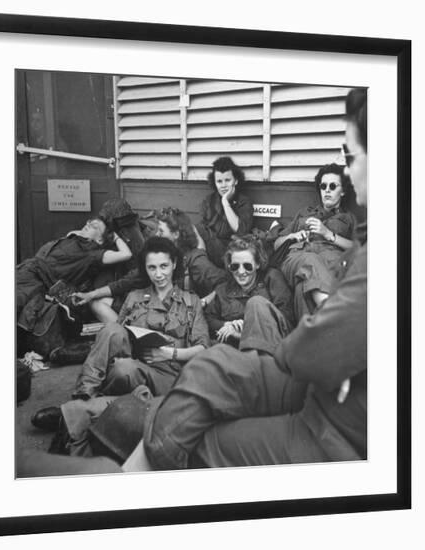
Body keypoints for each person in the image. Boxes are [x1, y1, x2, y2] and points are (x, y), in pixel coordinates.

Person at [140, 88, 368, 470]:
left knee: (205, 433)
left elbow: (310, 352)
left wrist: (315, 341)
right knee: (209, 367)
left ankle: (131, 488)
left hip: (339, 425)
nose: (344, 172)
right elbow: (273, 251)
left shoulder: (367, 239)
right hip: (314, 369)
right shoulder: (354, 229)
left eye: (351, 157)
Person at [72, 236, 210, 400]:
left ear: (174, 264)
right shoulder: (134, 297)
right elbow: (116, 340)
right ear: (145, 268)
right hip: (133, 364)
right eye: (152, 268)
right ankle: (84, 393)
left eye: (164, 266)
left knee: (123, 371)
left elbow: (202, 348)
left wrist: (170, 353)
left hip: (168, 375)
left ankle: (97, 402)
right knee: (112, 333)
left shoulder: (191, 301)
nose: (158, 274)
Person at [72, 207, 228, 322]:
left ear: (176, 235)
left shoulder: (195, 260)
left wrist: (201, 303)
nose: (156, 235)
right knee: (98, 303)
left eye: (161, 231)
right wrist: (90, 295)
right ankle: (125, 336)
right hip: (154, 307)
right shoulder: (155, 256)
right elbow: (126, 282)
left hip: (178, 318)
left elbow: (225, 284)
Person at [16, 218, 132, 357]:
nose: (88, 225)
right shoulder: (73, 237)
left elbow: (126, 254)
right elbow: (75, 231)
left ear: (100, 240)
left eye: (94, 226)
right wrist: (92, 228)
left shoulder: (92, 253)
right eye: (88, 222)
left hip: (33, 281)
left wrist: (115, 236)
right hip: (25, 270)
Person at [273, 163, 357, 319]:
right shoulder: (305, 212)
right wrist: (291, 237)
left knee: (303, 288)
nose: (327, 190)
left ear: (343, 191)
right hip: (297, 258)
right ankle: (332, 314)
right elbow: (276, 244)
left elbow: (358, 249)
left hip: (330, 263)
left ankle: (310, 338)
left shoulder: (348, 218)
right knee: (310, 261)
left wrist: (328, 234)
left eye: (333, 186)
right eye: (323, 186)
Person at [205, 235, 294, 352]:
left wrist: (247, 328)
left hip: (273, 347)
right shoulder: (223, 290)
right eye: (235, 266)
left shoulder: (272, 278)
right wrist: (228, 324)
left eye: (247, 266)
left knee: (256, 302)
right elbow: (208, 319)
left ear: (257, 264)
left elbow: (286, 318)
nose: (241, 272)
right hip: (237, 350)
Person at [196, 156, 253, 267]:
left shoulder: (244, 202)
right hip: (209, 249)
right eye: (219, 181)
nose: (223, 186)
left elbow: (240, 230)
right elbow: (202, 229)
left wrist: (225, 203)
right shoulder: (209, 200)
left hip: (232, 251)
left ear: (235, 181)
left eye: (227, 180)